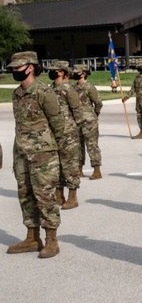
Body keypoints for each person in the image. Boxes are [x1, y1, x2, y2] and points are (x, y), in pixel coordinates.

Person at [7, 51, 65, 258]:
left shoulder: (44, 92)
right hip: (22, 154)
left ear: (30, 67)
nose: (14, 70)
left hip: (43, 156)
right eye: (13, 67)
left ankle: (52, 240)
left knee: (45, 197)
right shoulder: (17, 94)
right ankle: (32, 237)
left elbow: (59, 126)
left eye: (18, 67)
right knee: (25, 196)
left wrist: (60, 158)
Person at [50, 61, 84, 209]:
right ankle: (58, 195)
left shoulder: (69, 89)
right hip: (53, 133)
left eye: (55, 70)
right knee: (56, 166)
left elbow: (78, 112)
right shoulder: (50, 89)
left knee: (69, 166)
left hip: (68, 133)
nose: (51, 72)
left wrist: (73, 130)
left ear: (62, 72)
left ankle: (72, 197)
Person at [72, 64, 103, 180]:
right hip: (76, 121)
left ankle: (97, 170)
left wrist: (95, 114)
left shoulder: (89, 87)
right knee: (78, 146)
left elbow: (98, 103)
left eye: (77, 72)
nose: (75, 74)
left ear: (84, 74)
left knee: (92, 145)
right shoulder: (73, 88)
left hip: (89, 121)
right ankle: (79, 169)